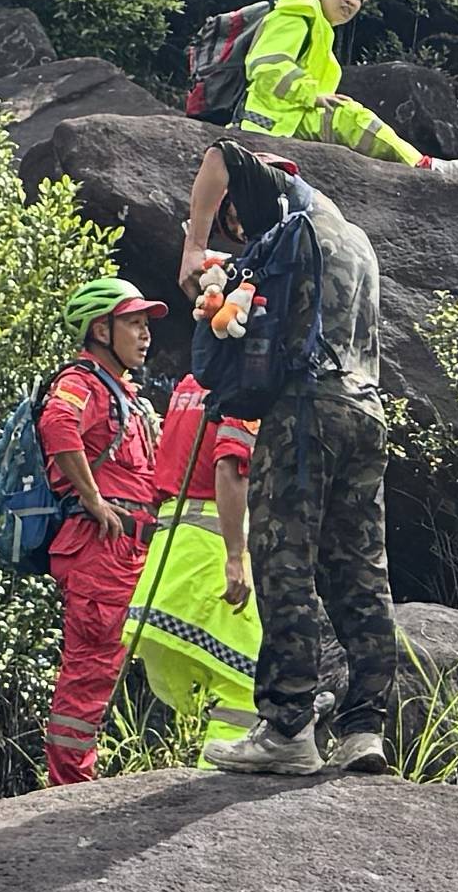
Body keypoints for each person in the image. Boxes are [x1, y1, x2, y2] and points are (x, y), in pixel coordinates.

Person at [172, 139, 405, 773]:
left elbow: (220, 154)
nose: (238, 231)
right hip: (366, 409)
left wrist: (194, 246)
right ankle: (365, 728)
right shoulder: (354, 241)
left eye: (235, 222)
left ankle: (287, 727)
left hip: (306, 410)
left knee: (284, 560)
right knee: (359, 568)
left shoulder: (289, 205)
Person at [33, 276, 163, 783]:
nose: (145, 333)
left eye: (146, 323)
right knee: (91, 665)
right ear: (100, 329)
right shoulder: (80, 382)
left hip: (130, 550)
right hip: (98, 547)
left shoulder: (124, 394)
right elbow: (57, 426)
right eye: (133, 322)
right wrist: (92, 499)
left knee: (110, 667)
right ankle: (70, 786)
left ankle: (81, 776)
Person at [119, 360, 265, 766]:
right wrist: (236, 557)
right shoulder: (243, 386)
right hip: (209, 555)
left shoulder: (190, 384)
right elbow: (230, 468)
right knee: (249, 683)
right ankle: (217, 782)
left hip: (169, 561)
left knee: (203, 685)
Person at [233, 0, 427, 168]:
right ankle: (420, 165)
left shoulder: (321, 35)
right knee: (346, 115)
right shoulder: (295, 14)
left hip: (290, 119)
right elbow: (267, 67)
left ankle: (415, 164)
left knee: (345, 114)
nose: (351, 0)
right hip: (268, 121)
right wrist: (312, 95)